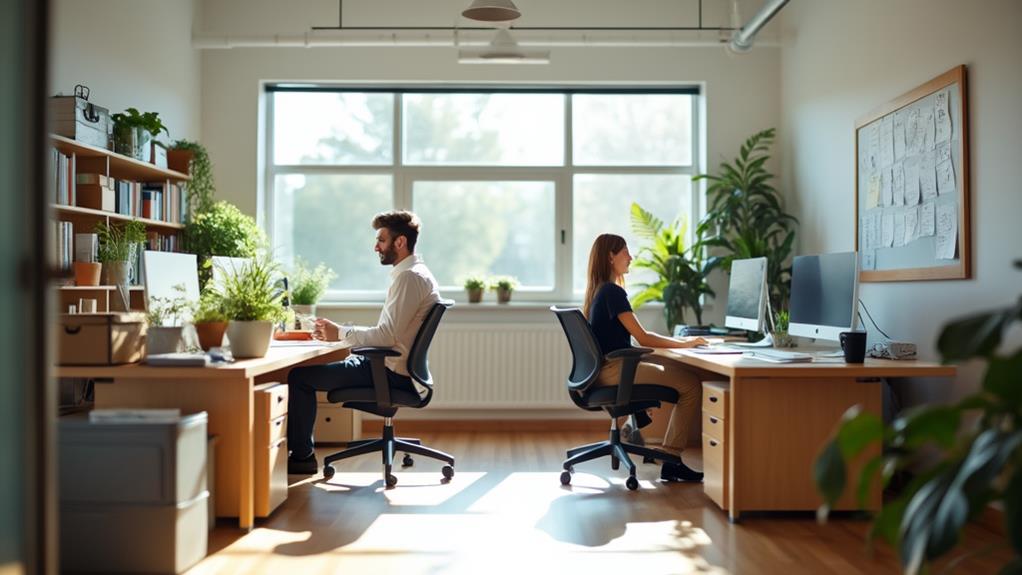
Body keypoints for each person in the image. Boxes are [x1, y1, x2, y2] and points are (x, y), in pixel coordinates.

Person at [287, 210, 441, 475]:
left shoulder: (409, 278)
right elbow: (389, 334)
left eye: (381, 240)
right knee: (321, 366)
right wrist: (343, 333)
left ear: (400, 242)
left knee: (300, 378)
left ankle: (301, 459)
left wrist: (342, 333)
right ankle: (299, 454)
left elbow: (386, 337)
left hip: (391, 374)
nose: (376, 247)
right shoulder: (414, 273)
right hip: (389, 367)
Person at [583, 233, 706, 482]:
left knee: (670, 370)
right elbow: (644, 338)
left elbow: (635, 341)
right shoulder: (612, 292)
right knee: (691, 384)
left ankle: (649, 437)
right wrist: (686, 342)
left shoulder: (599, 291)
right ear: (610, 256)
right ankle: (671, 459)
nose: (631, 257)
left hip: (604, 370)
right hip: (615, 370)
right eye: (626, 252)